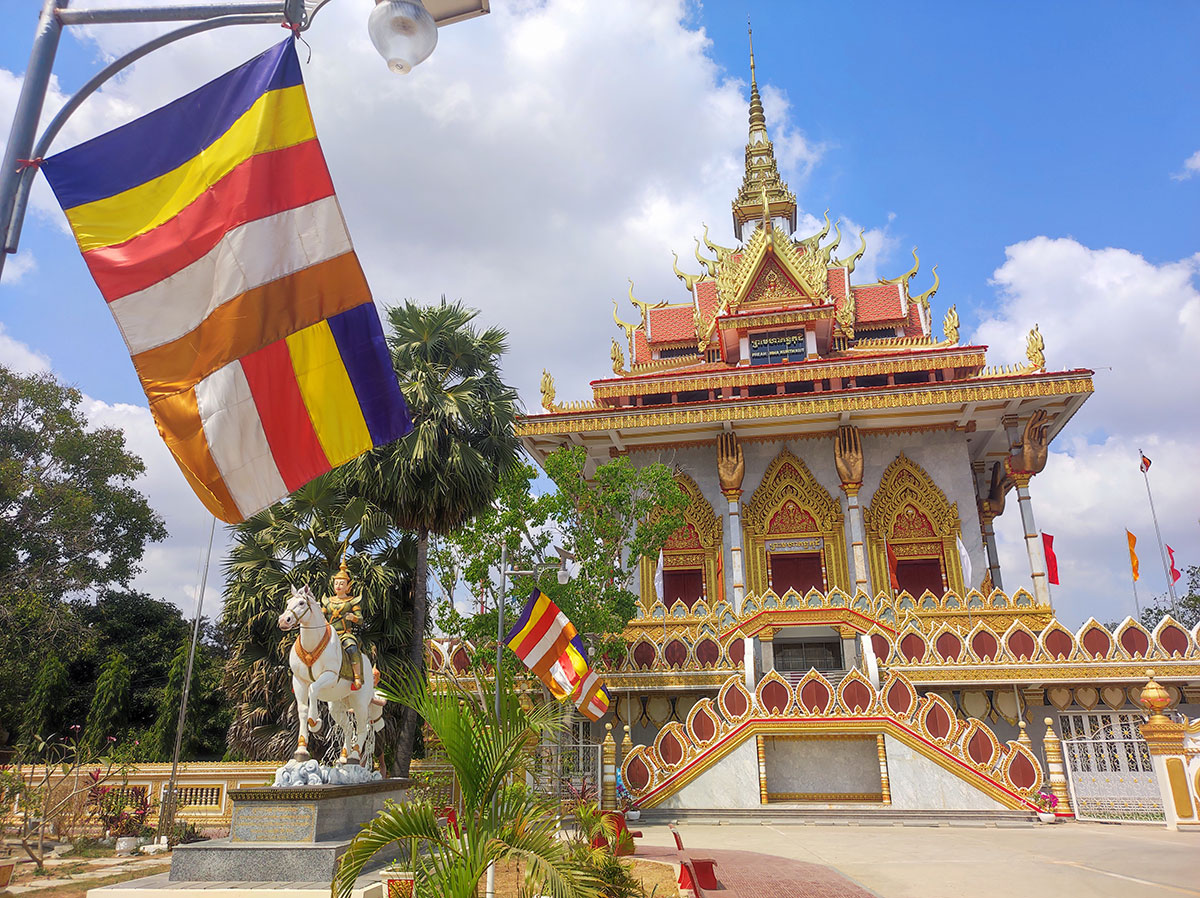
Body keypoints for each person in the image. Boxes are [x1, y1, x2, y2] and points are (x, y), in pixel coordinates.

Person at [323, 558, 364, 690]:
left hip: (343, 635)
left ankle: (357, 676)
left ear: (348, 586)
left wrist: (353, 618)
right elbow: (321, 616)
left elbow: (361, 620)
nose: (339, 586)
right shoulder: (327, 601)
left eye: (342, 583)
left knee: (352, 647)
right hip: (328, 635)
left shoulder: (352, 602)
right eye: (336, 583)